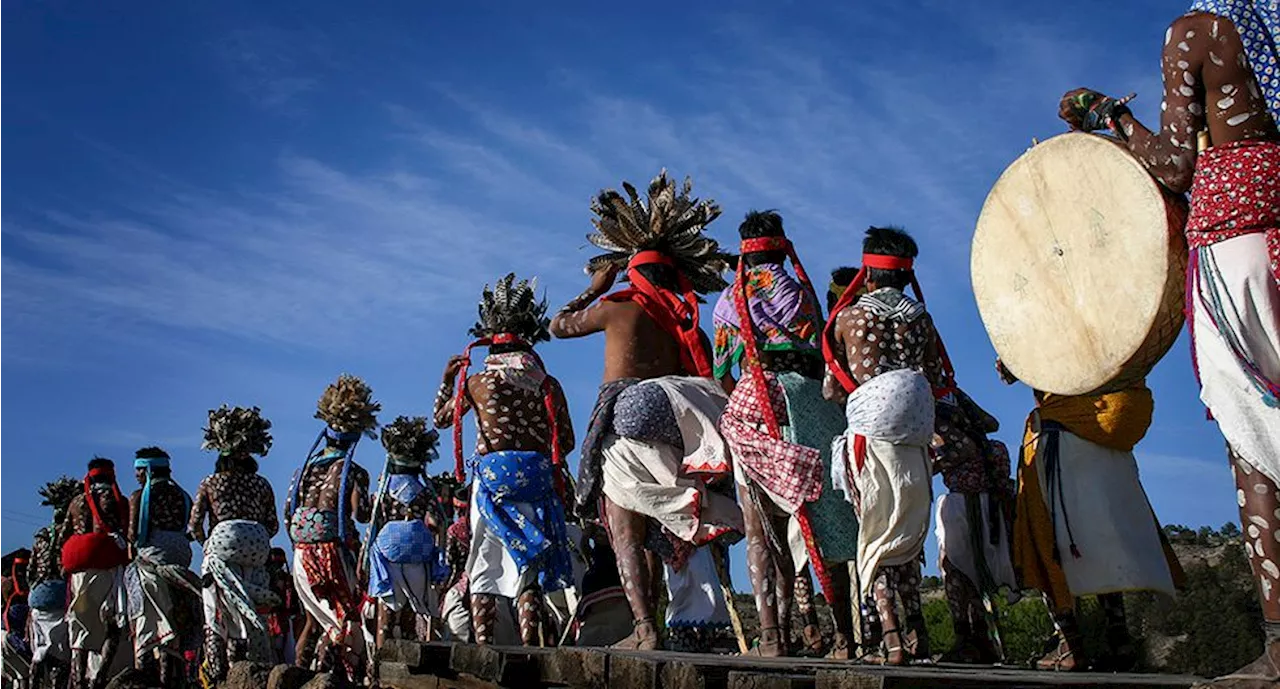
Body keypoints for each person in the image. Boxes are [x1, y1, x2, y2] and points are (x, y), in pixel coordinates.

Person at [1057, 4, 1280, 683]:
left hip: (1238, 246)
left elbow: (1178, 164)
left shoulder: (1201, 30)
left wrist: (1110, 117)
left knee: (1253, 442)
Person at [551, 170, 744, 651]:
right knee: (668, 518)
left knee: (626, 527)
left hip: (629, 411)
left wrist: (595, 288)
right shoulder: (685, 320)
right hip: (681, 419)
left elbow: (557, 326)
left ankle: (645, 628)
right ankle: (694, 622)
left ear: (632, 270)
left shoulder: (619, 306)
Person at [713, 210, 856, 657]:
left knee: (759, 531)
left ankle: (773, 635)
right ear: (781, 245)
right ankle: (844, 636)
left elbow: (722, 372)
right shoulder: (804, 295)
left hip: (756, 399)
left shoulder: (729, 299)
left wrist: (748, 394)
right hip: (812, 400)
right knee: (825, 517)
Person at [999, 362, 1181, 671]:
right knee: (1103, 541)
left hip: (1061, 434)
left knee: (1048, 539)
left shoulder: (1040, 319)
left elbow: (1011, 368)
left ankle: (1069, 644)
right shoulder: (1107, 318)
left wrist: (1012, 364)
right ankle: (1119, 638)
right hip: (1110, 436)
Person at [824, 227, 946, 666]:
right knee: (909, 536)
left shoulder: (848, 319)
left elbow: (832, 390)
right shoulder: (922, 320)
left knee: (874, 529)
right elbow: (935, 376)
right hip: (915, 435)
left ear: (867, 275)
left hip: (871, 433)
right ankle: (917, 638)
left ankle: (891, 639)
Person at [433, 273, 576, 647]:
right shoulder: (548, 384)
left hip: (493, 481)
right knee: (527, 567)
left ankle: (483, 647)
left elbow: (440, 420)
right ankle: (531, 646)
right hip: (539, 483)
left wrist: (447, 382)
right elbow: (568, 441)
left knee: (485, 565)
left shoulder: (477, 382)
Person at [286, 375, 377, 678]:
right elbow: (361, 514)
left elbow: (289, 512)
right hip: (331, 556)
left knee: (313, 621)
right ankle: (333, 679)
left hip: (300, 554)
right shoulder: (354, 472)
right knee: (344, 620)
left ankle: (299, 676)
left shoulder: (305, 470)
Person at [189, 405, 280, 685]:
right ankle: (243, 668)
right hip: (257, 547)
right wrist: (255, 542)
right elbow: (273, 525)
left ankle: (218, 675)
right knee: (245, 606)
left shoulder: (210, 482)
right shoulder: (262, 484)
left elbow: (194, 525)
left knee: (216, 612)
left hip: (222, 542)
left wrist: (209, 546)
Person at [931, 392, 1018, 664]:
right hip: (993, 510)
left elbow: (931, 466)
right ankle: (981, 639)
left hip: (963, 507)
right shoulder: (993, 447)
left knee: (955, 571)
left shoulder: (948, 439)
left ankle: (967, 639)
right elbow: (991, 423)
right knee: (978, 575)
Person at [367, 415, 443, 650]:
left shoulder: (383, 487)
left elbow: (374, 517)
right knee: (416, 612)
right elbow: (437, 520)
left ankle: (379, 666)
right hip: (418, 557)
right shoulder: (424, 491)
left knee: (387, 615)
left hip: (389, 554)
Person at [125, 446, 199, 685]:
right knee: (173, 619)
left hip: (151, 561)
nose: (136, 475)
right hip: (181, 559)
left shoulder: (139, 496)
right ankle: (172, 679)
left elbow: (133, 533)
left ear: (146, 470)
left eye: (138, 470)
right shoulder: (183, 496)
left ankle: (146, 678)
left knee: (149, 621)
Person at [58, 458, 130, 689]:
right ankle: (100, 677)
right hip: (109, 570)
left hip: (79, 574)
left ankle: (79, 681)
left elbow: (60, 539)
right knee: (113, 627)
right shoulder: (118, 501)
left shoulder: (76, 503)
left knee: (80, 632)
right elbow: (129, 533)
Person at [30, 478, 78, 689]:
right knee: (61, 656)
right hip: (60, 595)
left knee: (40, 652)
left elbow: (30, 572)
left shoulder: (41, 536)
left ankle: (34, 680)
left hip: (37, 596)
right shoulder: (71, 536)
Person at [440, 486, 473, 643]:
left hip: (461, 583)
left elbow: (450, 564)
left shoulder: (454, 530)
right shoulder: (485, 525)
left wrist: (444, 588)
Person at [265, 548, 297, 665]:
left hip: (282, 617)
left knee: (283, 648)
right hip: (271, 616)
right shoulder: (265, 578)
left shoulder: (287, 579)